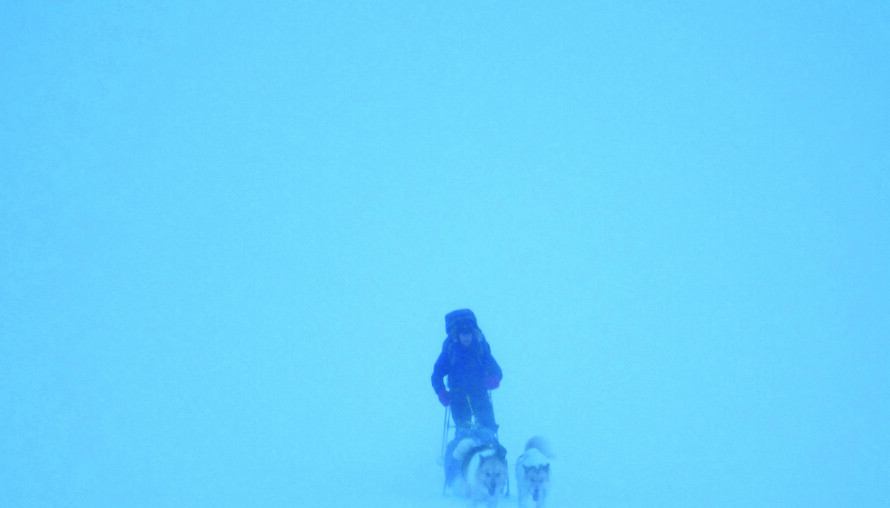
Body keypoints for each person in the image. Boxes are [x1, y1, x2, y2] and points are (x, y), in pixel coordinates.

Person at [431, 308, 503, 433]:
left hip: (479, 392)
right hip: (458, 395)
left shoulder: (480, 348)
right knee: (464, 429)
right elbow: (436, 374)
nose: (466, 338)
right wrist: (441, 391)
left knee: (487, 430)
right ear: (457, 335)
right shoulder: (450, 351)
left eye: (468, 334)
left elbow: (496, 369)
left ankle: (487, 445)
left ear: (473, 334)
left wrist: (494, 378)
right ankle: (464, 446)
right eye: (463, 335)